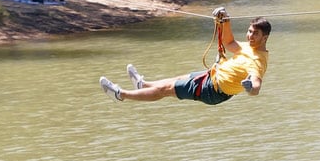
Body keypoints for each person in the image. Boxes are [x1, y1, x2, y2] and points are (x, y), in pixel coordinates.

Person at [101, 7, 269, 106]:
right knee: (173, 80)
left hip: (211, 90)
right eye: (249, 31)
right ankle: (142, 84)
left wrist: (250, 88)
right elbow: (230, 42)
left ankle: (120, 94)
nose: (250, 36)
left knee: (165, 90)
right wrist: (226, 20)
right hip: (211, 77)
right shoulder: (249, 47)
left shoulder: (258, 61)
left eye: (255, 34)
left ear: (265, 38)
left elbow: (257, 85)